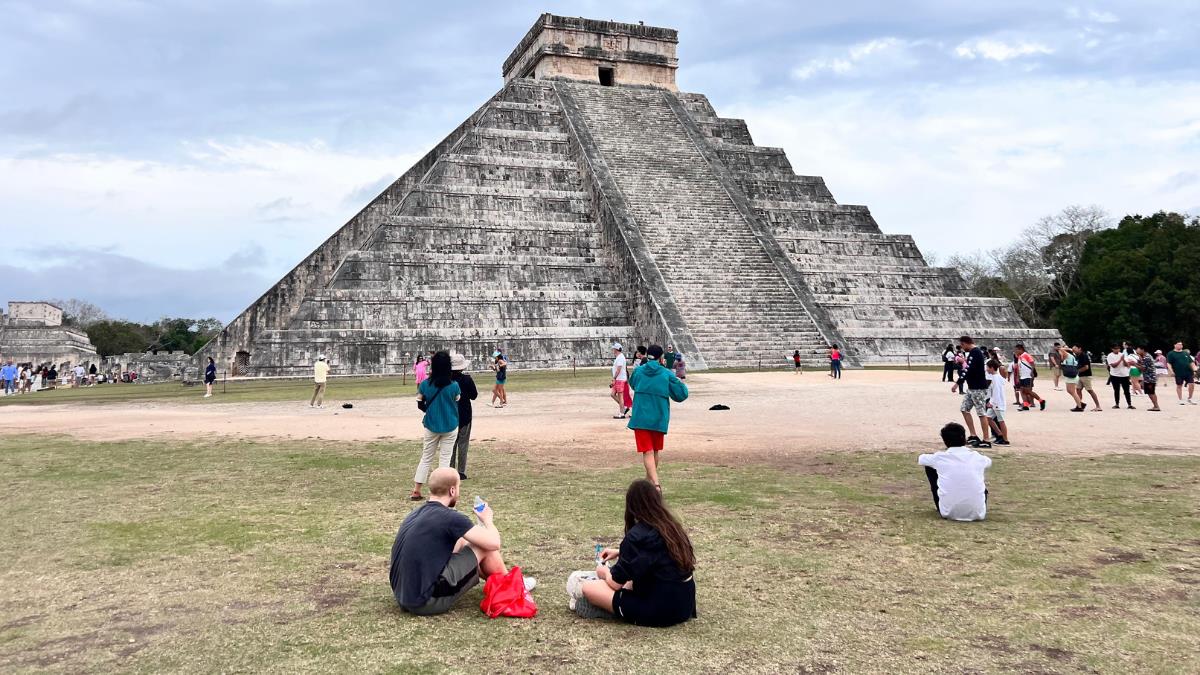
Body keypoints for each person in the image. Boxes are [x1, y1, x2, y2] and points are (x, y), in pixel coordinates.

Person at [389, 468, 535, 616]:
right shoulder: (449, 517)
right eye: (459, 487)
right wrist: (488, 520)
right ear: (452, 490)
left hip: (404, 597)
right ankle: (514, 587)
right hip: (426, 602)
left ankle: (507, 582)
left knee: (462, 539)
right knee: (483, 546)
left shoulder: (415, 514)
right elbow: (494, 543)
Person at [567, 479, 697, 626]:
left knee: (588, 587)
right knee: (629, 581)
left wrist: (603, 571)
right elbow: (656, 556)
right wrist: (619, 552)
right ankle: (615, 604)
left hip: (659, 610)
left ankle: (609, 609)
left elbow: (615, 583)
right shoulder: (672, 527)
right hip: (684, 605)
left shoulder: (637, 536)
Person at [627, 345, 689, 489]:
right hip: (659, 417)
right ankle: (650, 483)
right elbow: (681, 395)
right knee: (654, 450)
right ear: (661, 358)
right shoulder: (666, 374)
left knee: (647, 451)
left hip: (641, 416)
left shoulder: (638, 372)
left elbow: (633, 384)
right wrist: (680, 383)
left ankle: (655, 484)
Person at [412, 351, 461, 501]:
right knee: (445, 459)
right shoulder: (454, 386)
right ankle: (442, 492)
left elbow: (420, 403)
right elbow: (457, 399)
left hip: (431, 424)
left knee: (426, 457)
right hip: (450, 424)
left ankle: (417, 490)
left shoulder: (426, 384)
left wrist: (429, 410)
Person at [918, 423, 991, 521]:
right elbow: (988, 462)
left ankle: (942, 501)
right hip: (978, 513)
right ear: (964, 439)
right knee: (976, 473)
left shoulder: (940, 458)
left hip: (948, 512)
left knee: (930, 466)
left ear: (945, 441)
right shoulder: (976, 457)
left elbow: (921, 459)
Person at [956, 336, 991, 448]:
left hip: (978, 388)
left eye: (962, 345)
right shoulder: (973, 353)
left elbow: (968, 369)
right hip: (972, 388)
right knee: (964, 409)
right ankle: (973, 435)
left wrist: (958, 382)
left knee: (981, 413)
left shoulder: (975, 353)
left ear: (966, 343)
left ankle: (986, 439)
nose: (962, 348)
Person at [448, 352, 478, 480]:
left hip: (450, 415)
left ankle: (450, 470)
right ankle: (461, 471)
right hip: (465, 415)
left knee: (450, 444)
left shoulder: (447, 381)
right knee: (463, 444)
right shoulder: (467, 379)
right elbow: (474, 395)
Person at [984, 360, 1010, 445]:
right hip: (994, 402)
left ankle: (1005, 440)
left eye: (987, 367)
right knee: (988, 418)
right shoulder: (995, 377)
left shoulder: (996, 378)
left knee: (1001, 421)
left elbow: (996, 392)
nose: (987, 369)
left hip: (998, 403)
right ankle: (999, 434)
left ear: (992, 368)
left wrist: (992, 402)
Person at [1013, 344, 1045, 411]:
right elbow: (1019, 367)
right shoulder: (1020, 357)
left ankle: (1041, 401)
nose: (1015, 351)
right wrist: (1018, 377)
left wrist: (1032, 371)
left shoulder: (1026, 355)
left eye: (1016, 350)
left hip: (1027, 376)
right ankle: (1025, 405)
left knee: (1028, 391)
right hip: (1022, 376)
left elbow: (1032, 363)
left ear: (1020, 349)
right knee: (1022, 391)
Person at [1105, 344, 1137, 409]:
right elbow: (1114, 365)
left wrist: (1123, 360)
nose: (1117, 350)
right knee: (1116, 390)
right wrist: (1120, 360)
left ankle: (1129, 404)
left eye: (1118, 348)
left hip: (1124, 375)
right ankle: (1117, 404)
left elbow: (1127, 365)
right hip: (1115, 375)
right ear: (1112, 349)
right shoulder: (1110, 355)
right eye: (1115, 348)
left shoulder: (1122, 354)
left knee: (1126, 390)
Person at [1073, 345, 1102, 411]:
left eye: (1075, 349)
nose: (1073, 350)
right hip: (1079, 376)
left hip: (1085, 376)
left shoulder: (1084, 355)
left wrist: (1077, 371)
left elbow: (1086, 367)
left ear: (1079, 348)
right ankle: (1079, 405)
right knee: (1078, 390)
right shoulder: (1077, 356)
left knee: (1090, 390)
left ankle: (1098, 406)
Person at [1135, 346, 1161, 412]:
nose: (1136, 350)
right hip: (1149, 377)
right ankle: (1155, 406)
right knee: (1150, 392)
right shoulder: (1146, 356)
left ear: (1142, 350)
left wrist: (1134, 364)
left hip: (1150, 377)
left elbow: (1143, 368)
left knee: (1151, 392)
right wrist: (1139, 362)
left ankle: (1156, 406)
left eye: (1138, 349)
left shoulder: (1146, 357)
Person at [610, 342, 629, 419]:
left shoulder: (620, 357)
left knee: (620, 396)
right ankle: (623, 407)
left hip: (620, 379)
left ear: (616, 349)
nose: (613, 350)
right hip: (618, 379)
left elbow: (618, 369)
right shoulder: (618, 357)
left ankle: (622, 413)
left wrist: (614, 378)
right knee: (612, 394)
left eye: (614, 349)